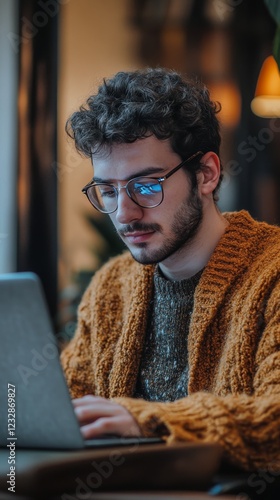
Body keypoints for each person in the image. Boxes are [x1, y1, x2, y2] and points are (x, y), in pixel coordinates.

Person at [61, 67, 280, 471]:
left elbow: (274, 420)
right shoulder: (110, 287)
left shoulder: (273, 274)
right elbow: (66, 411)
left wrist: (148, 420)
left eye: (146, 185)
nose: (124, 213)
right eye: (108, 190)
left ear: (207, 174)